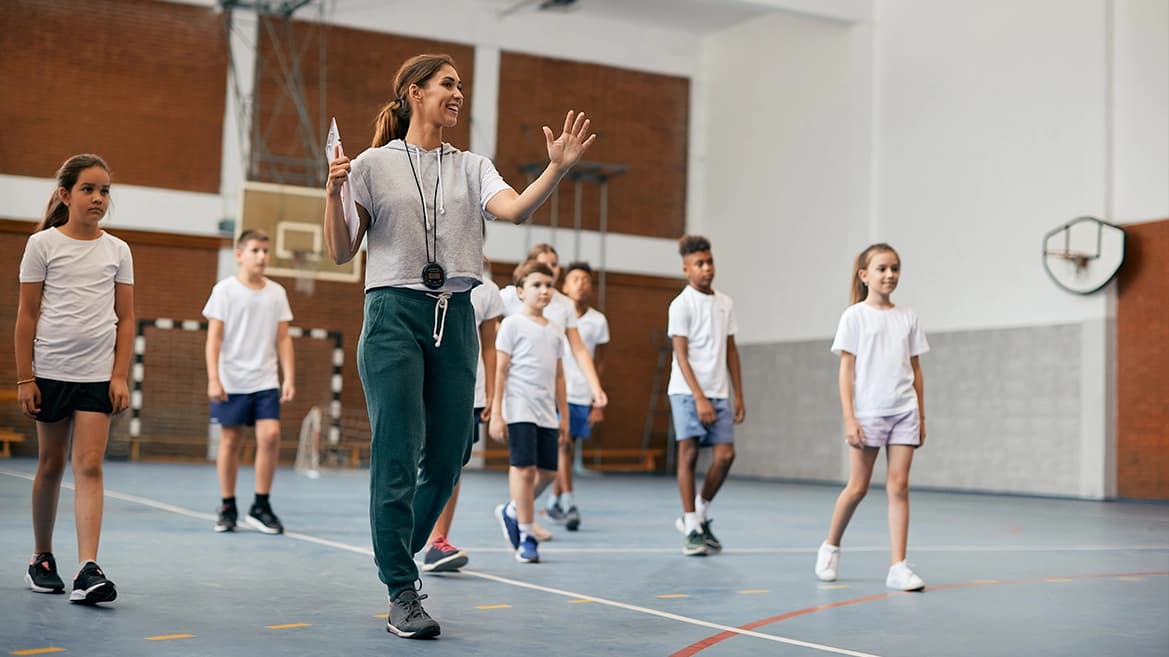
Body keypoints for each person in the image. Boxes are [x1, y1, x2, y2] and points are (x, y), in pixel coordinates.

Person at [322, 53, 597, 639]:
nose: (457, 93)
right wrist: (332, 193)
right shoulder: (371, 164)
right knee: (398, 452)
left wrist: (556, 168)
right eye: (447, 84)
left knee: (449, 457)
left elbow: (515, 209)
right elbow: (342, 251)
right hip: (392, 313)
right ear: (414, 92)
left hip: (456, 315)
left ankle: (398, 554)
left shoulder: (473, 167)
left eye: (461, 85)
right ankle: (402, 588)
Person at [15, 154, 133, 605]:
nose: (98, 198)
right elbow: (26, 316)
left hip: (96, 378)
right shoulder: (42, 245)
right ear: (65, 194)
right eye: (88, 189)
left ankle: (88, 568)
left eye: (104, 191)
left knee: (90, 465)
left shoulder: (118, 250)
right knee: (50, 465)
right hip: (50, 373)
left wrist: (119, 376)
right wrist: (25, 378)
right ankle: (42, 558)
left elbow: (127, 318)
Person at [815, 243, 929, 591]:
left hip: (904, 411)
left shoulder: (907, 316)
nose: (890, 275)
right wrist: (850, 418)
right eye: (882, 269)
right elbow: (846, 370)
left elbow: (916, 369)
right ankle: (831, 546)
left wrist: (921, 416)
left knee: (899, 486)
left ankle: (898, 566)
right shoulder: (854, 317)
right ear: (864, 275)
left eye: (895, 268)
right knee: (858, 487)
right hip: (868, 413)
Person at [203, 230, 296, 535]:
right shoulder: (224, 291)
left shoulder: (277, 293)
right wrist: (214, 378)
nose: (262, 256)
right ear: (240, 255)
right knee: (230, 440)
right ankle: (227, 505)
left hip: (265, 378)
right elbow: (214, 339)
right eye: (255, 250)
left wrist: (288, 377)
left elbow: (283, 339)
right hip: (231, 380)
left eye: (265, 251)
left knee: (270, 436)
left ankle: (261, 505)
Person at [419, 257, 503, 572]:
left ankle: (437, 541)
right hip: (424, 384)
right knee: (419, 460)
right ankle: (409, 535)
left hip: (467, 390)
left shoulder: (487, 290)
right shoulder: (421, 278)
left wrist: (492, 392)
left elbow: (490, 346)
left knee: (451, 465)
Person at [667, 235, 745, 556]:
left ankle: (699, 512)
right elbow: (681, 355)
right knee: (688, 456)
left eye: (709, 262)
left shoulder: (725, 303)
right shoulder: (681, 305)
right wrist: (699, 397)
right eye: (699, 263)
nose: (706, 268)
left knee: (725, 456)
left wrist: (738, 395)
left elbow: (731, 350)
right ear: (686, 269)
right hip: (686, 392)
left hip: (719, 392)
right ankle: (691, 526)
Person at [489, 261, 568, 564]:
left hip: (546, 410)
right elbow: (501, 371)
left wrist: (564, 416)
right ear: (521, 291)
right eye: (537, 285)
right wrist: (498, 413)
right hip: (519, 407)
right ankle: (526, 535)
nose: (544, 291)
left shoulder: (556, 330)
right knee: (524, 469)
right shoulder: (512, 325)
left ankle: (512, 509)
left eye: (549, 286)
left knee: (548, 472)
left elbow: (559, 376)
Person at [545, 261, 609, 531]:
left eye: (586, 280)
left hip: (583, 395)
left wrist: (597, 400)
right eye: (575, 279)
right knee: (564, 445)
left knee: (567, 449)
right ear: (565, 286)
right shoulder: (554, 314)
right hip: (557, 392)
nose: (581, 284)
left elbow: (599, 363)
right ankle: (569, 501)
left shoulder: (598, 321)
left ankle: (553, 500)